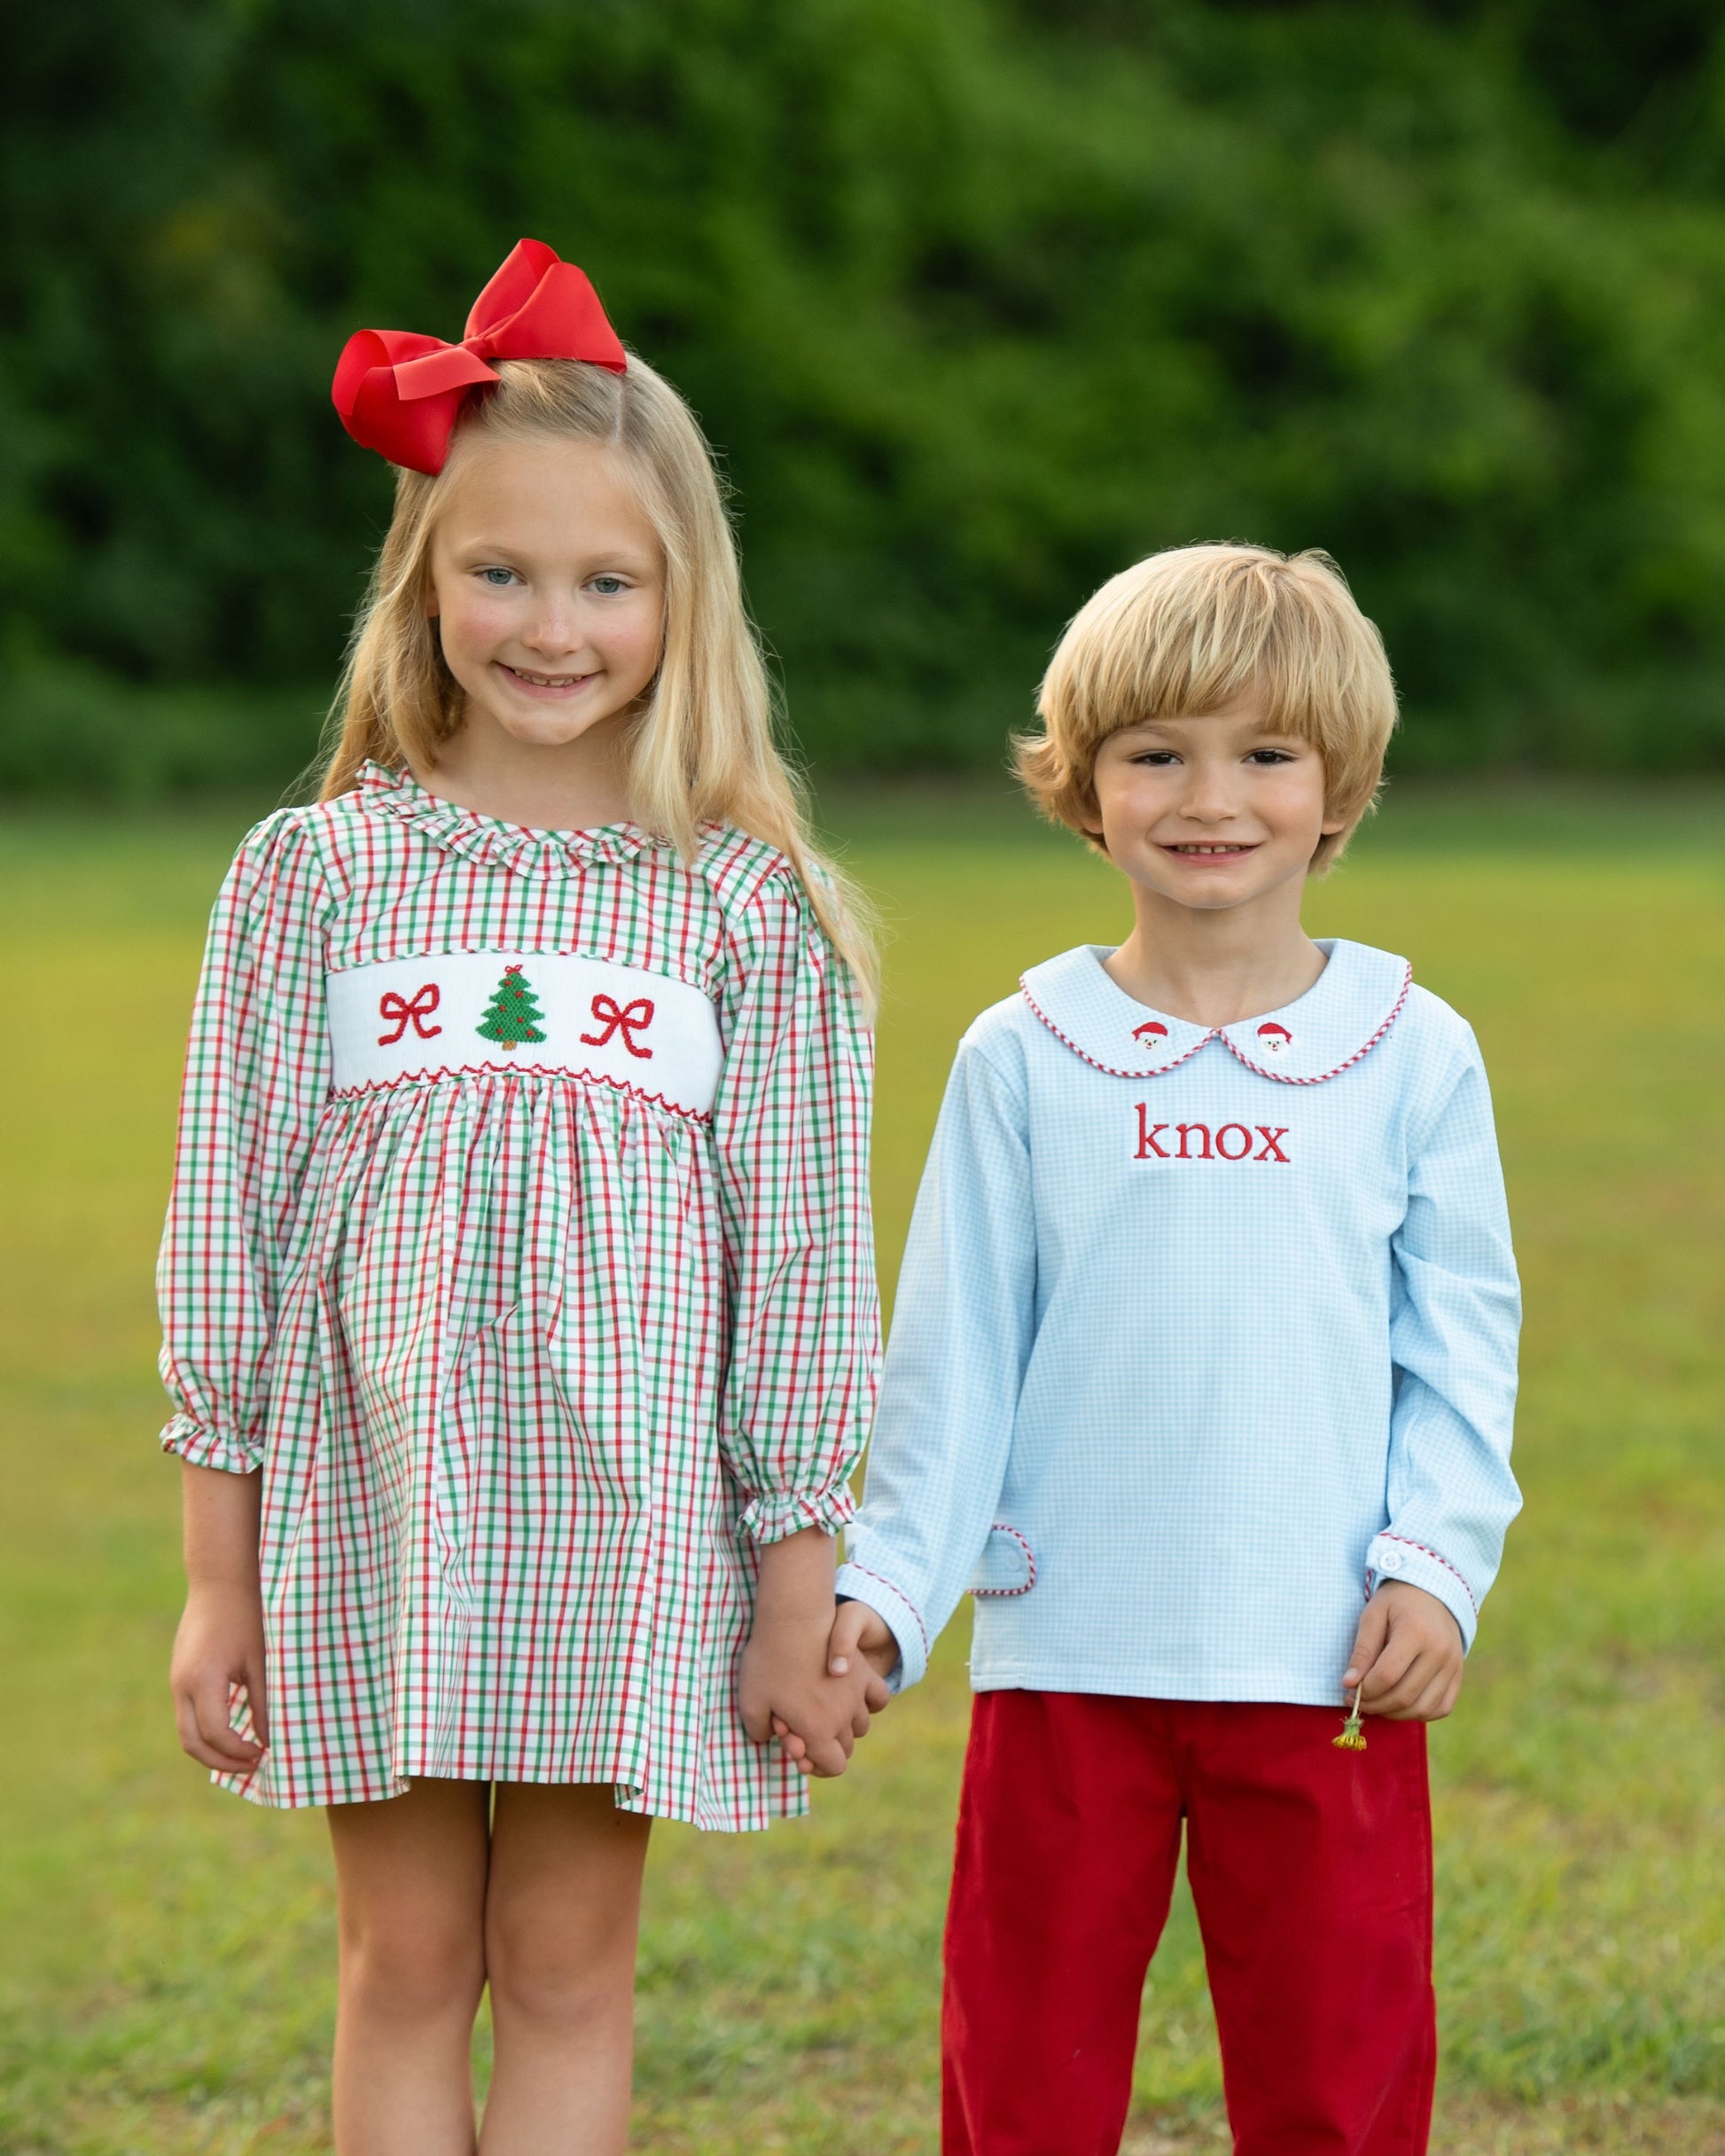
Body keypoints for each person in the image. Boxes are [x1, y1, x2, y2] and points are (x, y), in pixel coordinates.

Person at [158, 239, 885, 2156]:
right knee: (402, 1963)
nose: (548, 624)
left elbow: (802, 1263)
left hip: (627, 1534)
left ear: (679, 600)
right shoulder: (313, 876)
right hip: (371, 1512)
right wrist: (216, 1579)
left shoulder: (741, 907)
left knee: (568, 1967)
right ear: (424, 579)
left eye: (603, 582)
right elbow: (220, 1234)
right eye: (498, 571)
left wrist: (794, 1591)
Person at [821, 544, 1522, 2154]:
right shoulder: (1024, 1054)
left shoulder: (1413, 1052)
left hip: (1325, 1656)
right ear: (1084, 788)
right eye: (1157, 754)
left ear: (1336, 790)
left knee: (1335, 2079)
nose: (1210, 798)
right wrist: (886, 1593)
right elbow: (955, 1356)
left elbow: (1460, 1348)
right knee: (1026, 2078)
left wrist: (1432, 1564)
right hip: (1068, 1654)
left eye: (1264, 754)